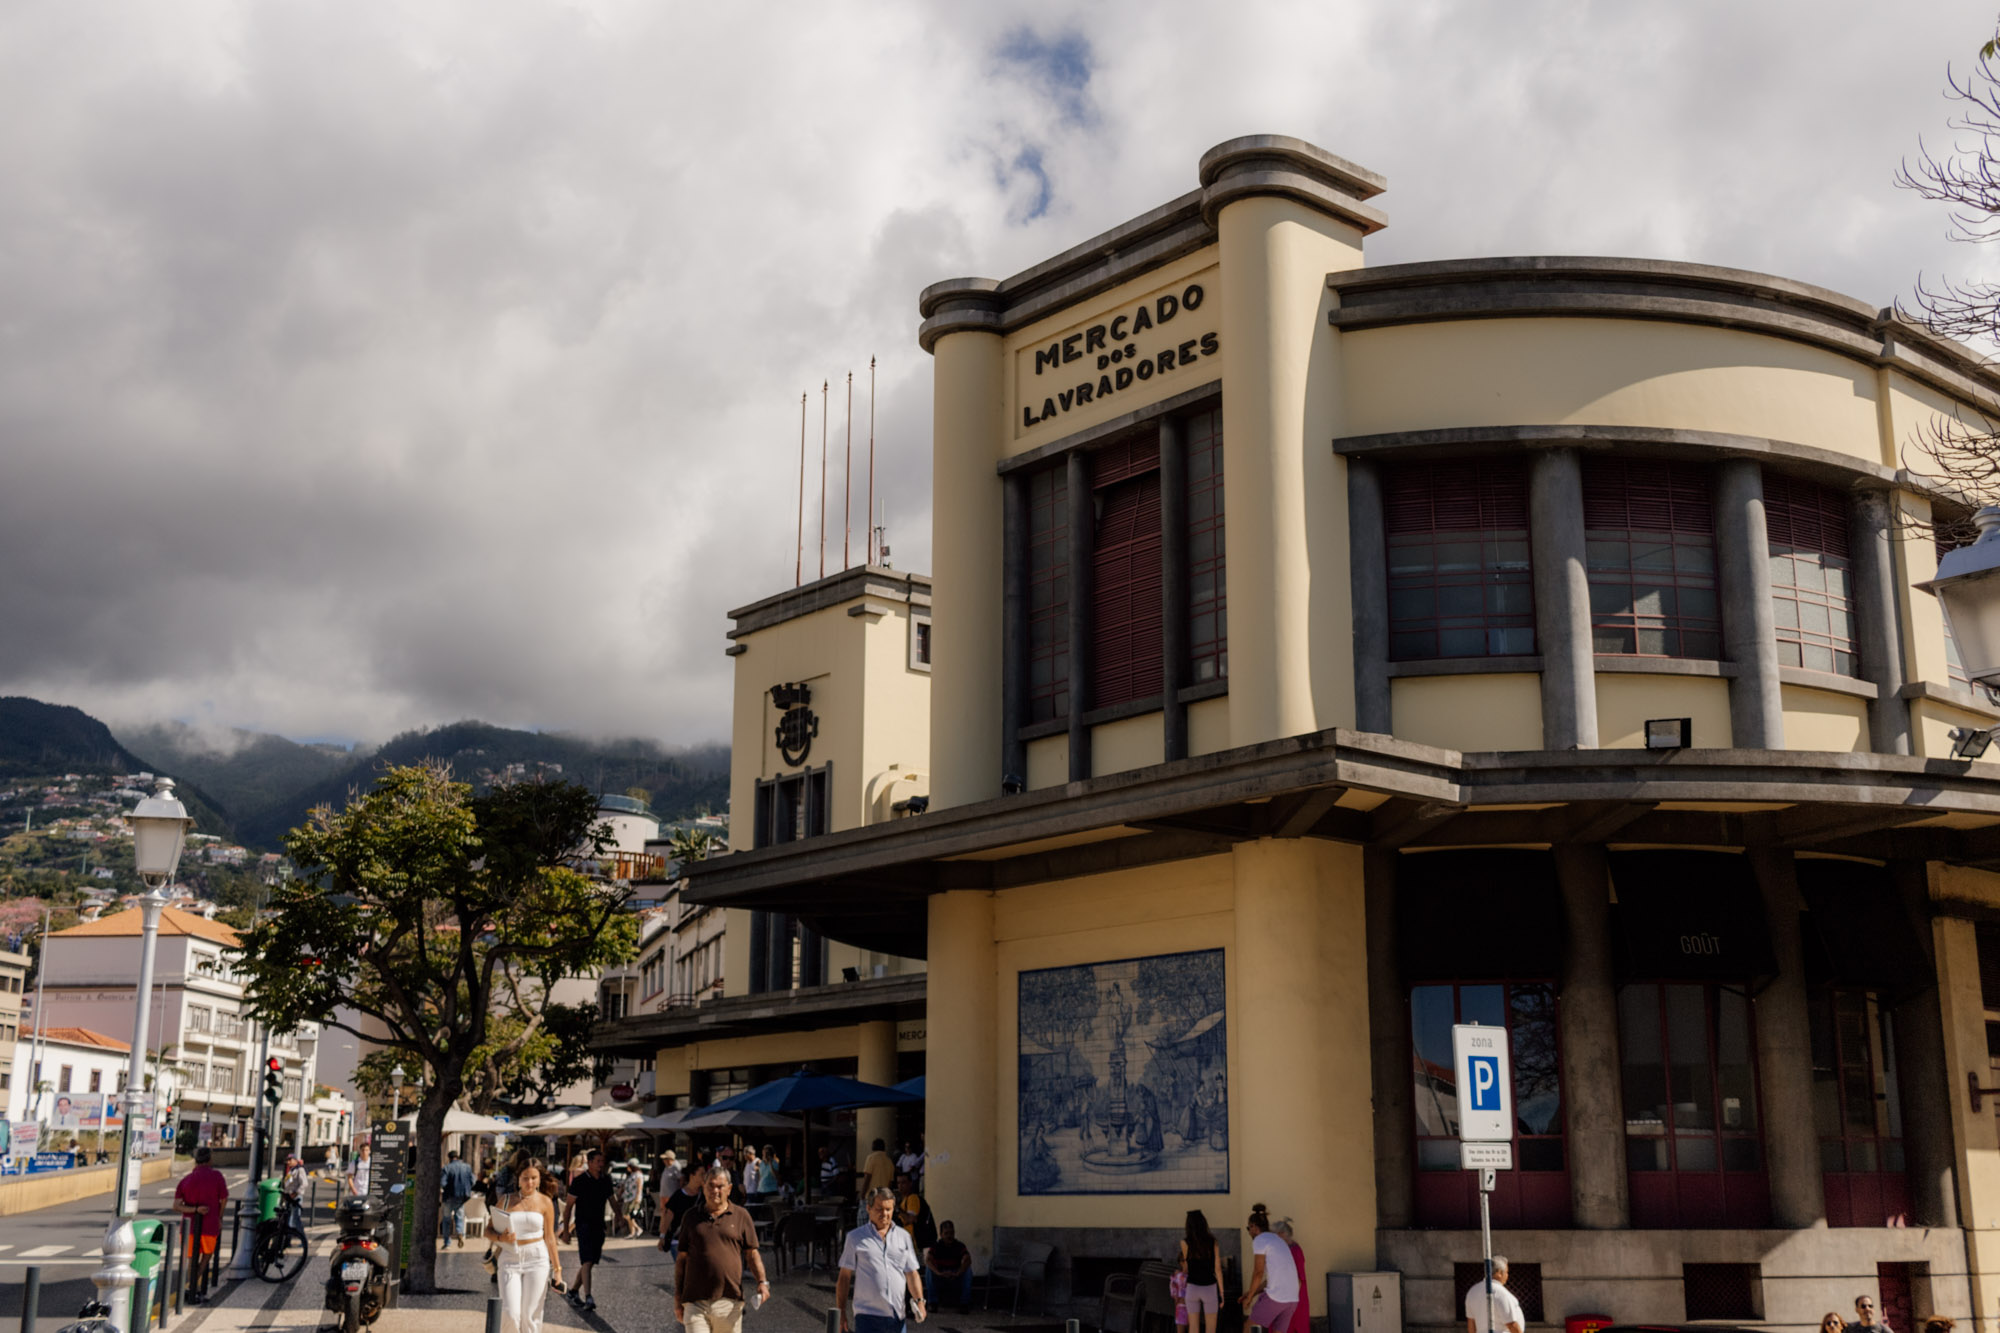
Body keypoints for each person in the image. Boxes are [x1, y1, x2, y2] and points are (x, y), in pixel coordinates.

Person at [676, 1165, 769, 1333]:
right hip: (695, 1301)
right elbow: (681, 1259)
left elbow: (752, 1254)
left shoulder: (741, 1216)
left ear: (729, 1188)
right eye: (710, 1185)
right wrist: (677, 1298)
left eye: (720, 1186)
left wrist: (762, 1282)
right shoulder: (691, 1217)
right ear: (703, 1187)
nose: (715, 1190)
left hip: (729, 1302)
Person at [488, 1160, 563, 1333]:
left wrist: (557, 1268)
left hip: (537, 1258)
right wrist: (501, 1237)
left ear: (539, 1179)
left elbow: (550, 1237)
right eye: (525, 1178)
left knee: (531, 1316)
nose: (530, 1183)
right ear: (518, 1179)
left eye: (534, 1178)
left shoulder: (545, 1202)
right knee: (510, 1313)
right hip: (509, 1258)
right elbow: (488, 1230)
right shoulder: (506, 1201)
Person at [838, 1187, 927, 1333]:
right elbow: (844, 1277)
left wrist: (920, 1302)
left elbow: (912, 1274)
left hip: (897, 1318)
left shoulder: (903, 1237)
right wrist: (841, 1312)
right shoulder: (855, 1238)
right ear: (868, 1208)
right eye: (879, 1209)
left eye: (888, 1209)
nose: (884, 1214)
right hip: (867, 1318)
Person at [174, 1147, 232, 1304]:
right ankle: (194, 1285)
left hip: (189, 1226)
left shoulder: (186, 1180)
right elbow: (224, 1199)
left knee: (192, 1257)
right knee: (207, 1255)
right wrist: (219, 1216)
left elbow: (177, 1205)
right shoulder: (217, 1176)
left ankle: (192, 1286)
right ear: (209, 1159)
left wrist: (193, 1210)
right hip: (210, 1224)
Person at [563, 1149, 615, 1311]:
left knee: (590, 1261)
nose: (601, 1164)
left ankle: (572, 1291)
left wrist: (619, 1215)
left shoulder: (606, 1180)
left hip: (599, 1225)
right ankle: (588, 1296)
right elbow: (568, 1207)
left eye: (602, 1161)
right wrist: (566, 1231)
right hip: (583, 1225)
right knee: (587, 1260)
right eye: (598, 1161)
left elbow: (612, 1200)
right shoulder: (579, 1181)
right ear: (590, 1162)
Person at [1241, 1204, 1300, 1333]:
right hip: (1292, 1299)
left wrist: (1250, 1298)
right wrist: (1252, 1292)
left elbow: (1258, 1272)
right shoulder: (1277, 1240)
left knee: (1250, 1328)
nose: (1249, 1232)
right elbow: (1272, 1279)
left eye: (1248, 1228)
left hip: (1276, 1297)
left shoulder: (1260, 1240)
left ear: (1254, 1227)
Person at [1178, 1210, 1222, 1333]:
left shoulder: (1184, 1243)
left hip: (1192, 1287)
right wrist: (1222, 1292)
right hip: (1209, 1287)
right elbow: (1217, 1268)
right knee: (1211, 1329)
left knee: (1193, 1328)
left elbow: (1187, 1267)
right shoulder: (1213, 1242)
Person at [1462, 1256, 1524, 1333]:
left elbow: (1471, 1324)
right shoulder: (1500, 1293)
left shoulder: (1472, 1291)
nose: (1507, 1276)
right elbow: (1512, 1324)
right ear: (1499, 1273)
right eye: (1506, 1272)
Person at [923, 1220, 972, 1312]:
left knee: (968, 1271)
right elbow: (928, 1260)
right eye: (946, 1233)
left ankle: (964, 1304)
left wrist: (958, 1273)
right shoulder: (936, 1246)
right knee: (928, 1270)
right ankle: (932, 1303)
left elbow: (968, 1259)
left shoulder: (959, 1246)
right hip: (940, 1276)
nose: (949, 1236)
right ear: (941, 1234)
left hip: (955, 1276)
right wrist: (939, 1273)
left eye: (951, 1233)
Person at [660, 1162, 708, 1254]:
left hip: (698, 1241)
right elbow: (668, 1216)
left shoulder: (705, 1195)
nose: (705, 1176)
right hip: (679, 1241)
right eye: (702, 1174)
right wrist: (662, 1236)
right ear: (692, 1175)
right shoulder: (678, 1195)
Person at [1278, 1218, 1310, 1333]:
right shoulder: (1283, 1250)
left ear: (1283, 1234)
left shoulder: (1295, 1251)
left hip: (1293, 1300)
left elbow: (1298, 1279)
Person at [442, 1149, 476, 1249]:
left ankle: (447, 1243)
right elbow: (473, 1181)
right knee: (459, 1217)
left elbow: (443, 1183)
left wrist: (448, 1188)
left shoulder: (447, 1168)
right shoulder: (467, 1167)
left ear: (449, 1158)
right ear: (458, 1156)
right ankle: (460, 1232)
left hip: (449, 1197)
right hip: (462, 1197)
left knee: (446, 1220)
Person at [896, 1172, 937, 1251]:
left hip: (919, 1245)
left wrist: (897, 1209)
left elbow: (910, 1219)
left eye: (903, 1183)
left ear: (910, 1183)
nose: (900, 1186)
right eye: (898, 1183)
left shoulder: (913, 1198)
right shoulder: (904, 1201)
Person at [614, 1158, 643, 1237]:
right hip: (627, 1197)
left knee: (628, 1215)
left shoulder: (638, 1175)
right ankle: (632, 1232)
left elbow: (639, 1187)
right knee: (627, 1215)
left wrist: (637, 1198)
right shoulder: (631, 1174)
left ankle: (638, 1229)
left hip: (634, 1197)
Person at [281, 1153, 309, 1229]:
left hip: (296, 1197)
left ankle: (300, 1238)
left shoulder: (300, 1170)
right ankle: (290, 1237)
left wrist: (296, 1193)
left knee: (294, 1220)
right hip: (290, 1197)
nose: (288, 1162)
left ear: (295, 1160)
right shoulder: (291, 1170)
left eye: (290, 1160)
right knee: (291, 1219)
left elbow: (304, 1183)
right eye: (287, 1160)